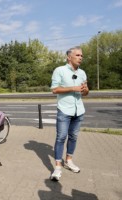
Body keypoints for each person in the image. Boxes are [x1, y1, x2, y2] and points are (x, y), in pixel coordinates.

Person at [50, 46, 89, 181]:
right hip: (64, 110)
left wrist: (85, 90)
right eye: (78, 55)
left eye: (81, 56)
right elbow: (54, 90)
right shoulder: (59, 70)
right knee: (61, 137)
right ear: (69, 57)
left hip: (79, 110)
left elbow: (86, 92)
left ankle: (69, 160)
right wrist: (73, 88)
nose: (80, 58)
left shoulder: (83, 73)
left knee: (73, 137)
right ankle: (57, 167)